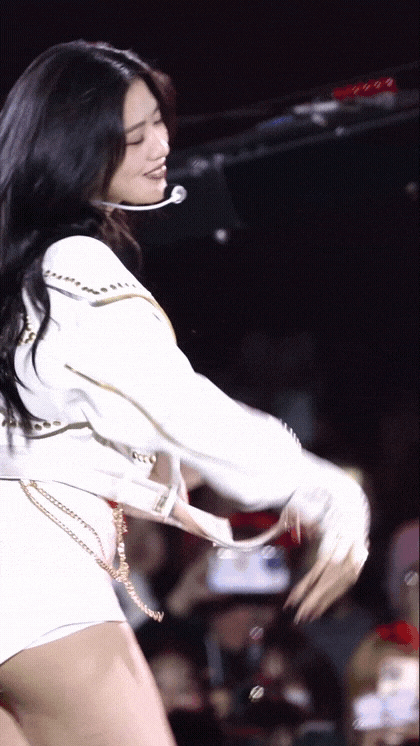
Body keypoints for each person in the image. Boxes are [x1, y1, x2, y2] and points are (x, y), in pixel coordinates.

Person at [0, 40, 370, 746]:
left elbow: (75, 434)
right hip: (42, 587)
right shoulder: (75, 265)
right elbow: (178, 405)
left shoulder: (19, 274)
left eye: (159, 124)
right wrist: (323, 490)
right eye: (133, 135)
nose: (161, 145)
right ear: (75, 148)